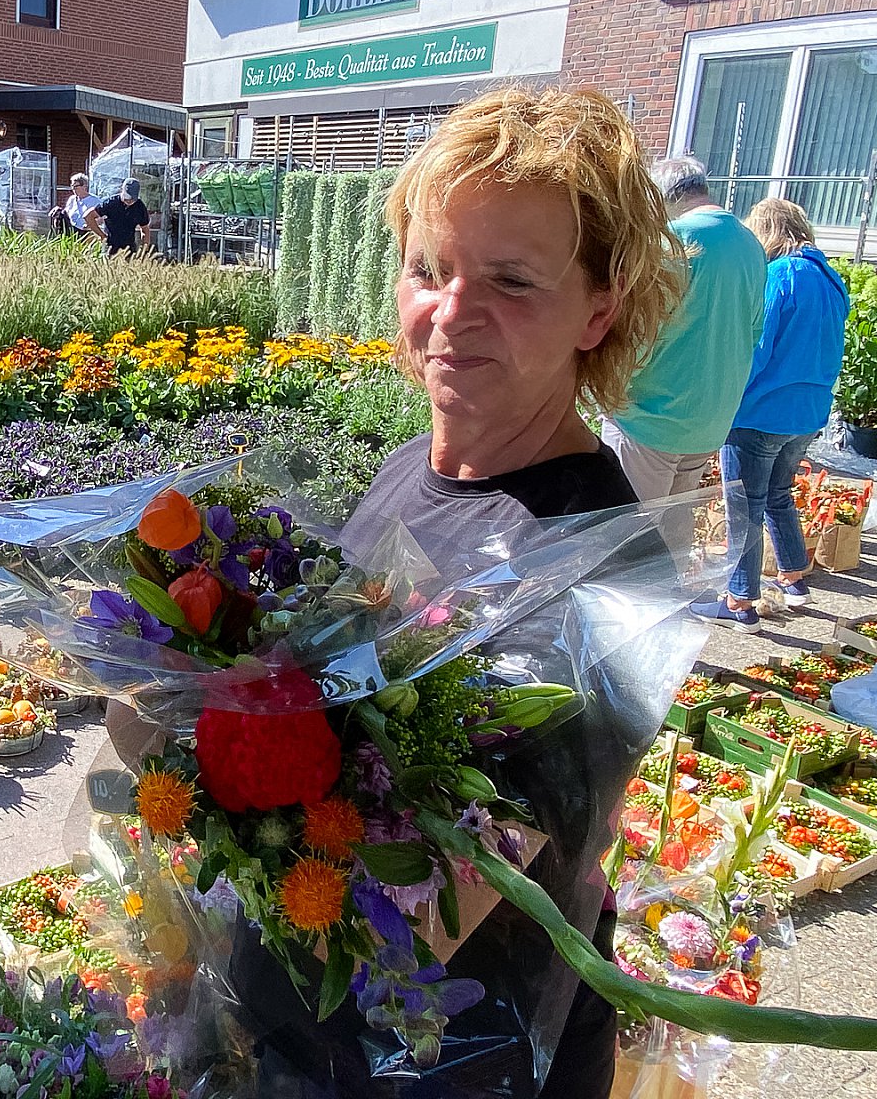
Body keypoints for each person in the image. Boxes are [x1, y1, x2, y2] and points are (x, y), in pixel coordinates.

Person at [245, 87, 685, 1099]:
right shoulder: (413, 468)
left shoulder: (598, 570)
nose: (449, 311)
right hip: (315, 1032)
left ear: (600, 309)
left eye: (511, 280)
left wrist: (202, 754)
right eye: (427, 268)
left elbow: (431, 911)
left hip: (456, 1059)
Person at [690, 198, 850, 631]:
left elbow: (756, 348)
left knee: (744, 506)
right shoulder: (831, 279)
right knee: (779, 493)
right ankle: (795, 578)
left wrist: (724, 394)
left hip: (761, 411)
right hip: (809, 411)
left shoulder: (778, 275)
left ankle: (740, 601)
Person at [599, 156, 766, 501]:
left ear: (663, 198)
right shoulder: (750, 244)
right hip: (709, 421)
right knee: (674, 524)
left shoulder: (676, 240)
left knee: (625, 526)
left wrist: (606, 391)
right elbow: (753, 333)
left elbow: (640, 332)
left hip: (649, 418)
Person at [85, 177, 151, 256]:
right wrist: (102, 235)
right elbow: (88, 216)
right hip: (110, 247)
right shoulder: (111, 203)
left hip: (129, 249)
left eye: (132, 199)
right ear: (121, 191)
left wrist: (144, 250)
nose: (129, 201)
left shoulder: (139, 207)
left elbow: (145, 229)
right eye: (126, 198)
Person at [50, 172, 100, 236]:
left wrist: (90, 226)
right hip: (71, 231)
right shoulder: (72, 199)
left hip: (86, 233)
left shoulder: (95, 201)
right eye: (72, 186)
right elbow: (67, 214)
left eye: (76, 186)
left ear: (84, 186)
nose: (73, 189)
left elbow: (102, 219)